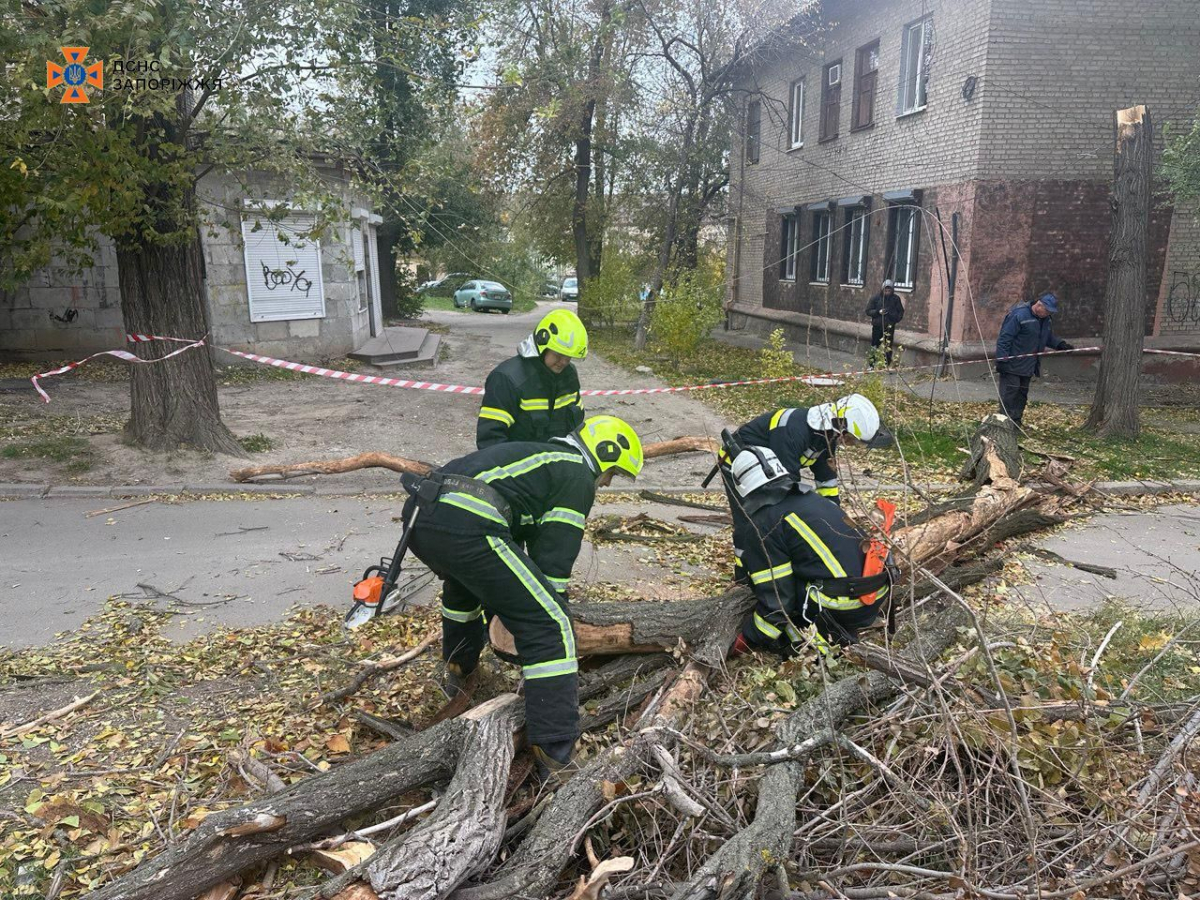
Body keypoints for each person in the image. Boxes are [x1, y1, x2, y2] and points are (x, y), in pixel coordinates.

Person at [401, 415, 643, 778]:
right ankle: (556, 753)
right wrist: (540, 615)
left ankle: (459, 672)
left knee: (463, 590)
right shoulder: (576, 473)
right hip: (468, 520)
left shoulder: (544, 459)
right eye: (612, 474)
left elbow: (519, 552)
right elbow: (553, 566)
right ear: (604, 454)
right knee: (551, 623)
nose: (606, 484)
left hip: (421, 515)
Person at [724, 446, 891, 658]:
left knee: (789, 598)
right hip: (876, 593)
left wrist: (749, 638)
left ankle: (810, 647)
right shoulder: (810, 499)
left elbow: (777, 601)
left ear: (742, 486)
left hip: (843, 605)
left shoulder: (764, 525)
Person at [717, 394, 883, 584]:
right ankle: (743, 575)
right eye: (851, 439)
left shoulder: (825, 436)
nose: (850, 444)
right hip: (737, 465)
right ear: (840, 426)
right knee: (751, 521)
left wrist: (835, 522)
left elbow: (827, 482)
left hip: (769, 471)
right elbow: (786, 490)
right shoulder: (792, 430)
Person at [477, 309, 588, 449]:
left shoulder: (569, 374)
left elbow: (577, 425)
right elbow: (490, 441)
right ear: (542, 345)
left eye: (569, 357)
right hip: (518, 466)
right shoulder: (506, 379)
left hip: (557, 464)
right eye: (559, 355)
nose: (564, 362)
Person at [994, 292, 1073, 426]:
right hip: (1012, 364)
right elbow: (1004, 338)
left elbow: (1046, 337)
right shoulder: (1018, 315)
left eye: (1050, 312)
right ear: (1039, 304)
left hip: (1029, 365)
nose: (1048, 314)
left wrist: (1060, 344)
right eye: (1047, 310)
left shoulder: (1046, 319)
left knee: (1022, 395)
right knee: (1009, 394)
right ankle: (1003, 423)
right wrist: (1002, 360)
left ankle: (1016, 422)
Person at [865, 279, 904, 368]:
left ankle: (887, 364)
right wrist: (878, 312)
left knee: (888, 346)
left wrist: (895, 319)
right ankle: (871, 364)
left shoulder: (895, 299)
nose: (887, 292)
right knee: (875, 345)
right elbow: (868, 311)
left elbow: (900, 311)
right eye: (885, 290)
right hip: (877, 326)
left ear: (892, 290)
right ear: (882, 289)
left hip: (889, 327)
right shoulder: (876, 298)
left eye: (889, 290)